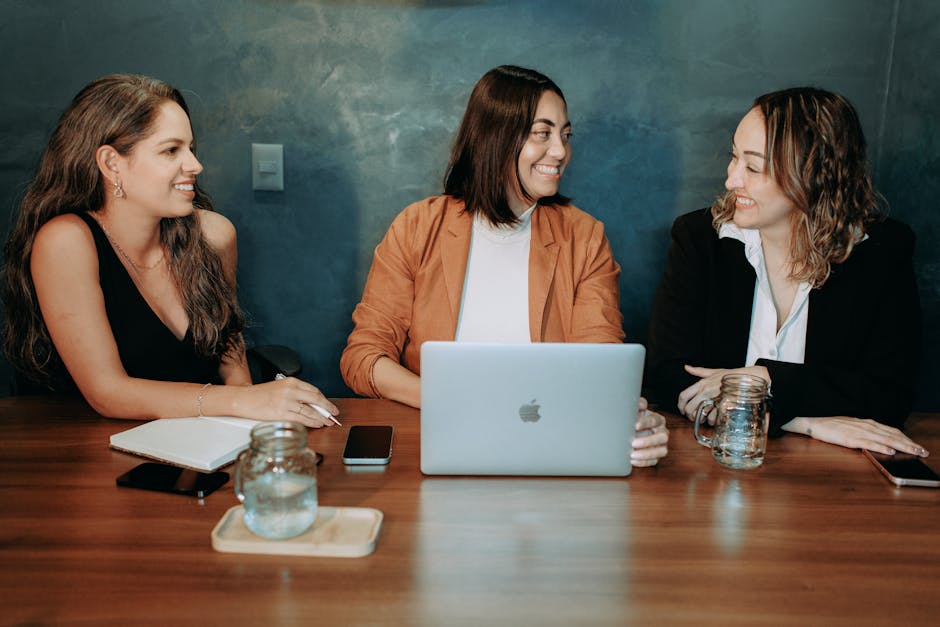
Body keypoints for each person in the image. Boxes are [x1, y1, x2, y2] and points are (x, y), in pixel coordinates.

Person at [340, 65, 668, 466]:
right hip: (437, 443)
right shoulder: (417, 227)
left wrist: (626, 418)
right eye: (542, 133)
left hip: (549, 447)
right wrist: (447, 400)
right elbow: (363, 358)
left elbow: (599, 366)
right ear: (496, 137)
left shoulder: (584, 238)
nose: (561, 151)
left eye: (565, 134)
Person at [1, 74, 338, 427]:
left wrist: (253, 425)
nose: (195, 165)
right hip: (88, 448)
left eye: (191, 148)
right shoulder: (66, 241)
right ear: (112, 163)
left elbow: (230, 354)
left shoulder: (214, 234)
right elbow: (107, 392)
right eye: (171, 150)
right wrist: (243, 401)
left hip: (196, 444)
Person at [646, 87, 927, 457]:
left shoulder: (880, 251)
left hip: (826, 482)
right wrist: (799, 419)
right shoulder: (700, 239)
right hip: (714, 463)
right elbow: (668, 377)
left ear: (813, 174)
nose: (732, 180)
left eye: (753, 166)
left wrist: (765, 377)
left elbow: (887, 394)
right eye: (734, 158)